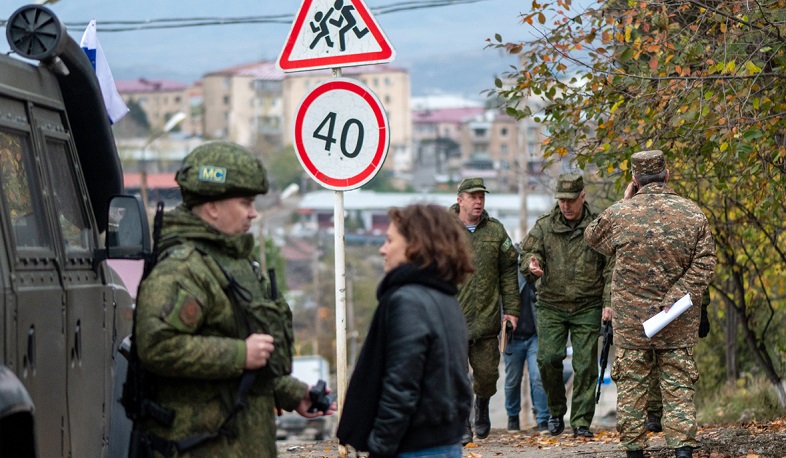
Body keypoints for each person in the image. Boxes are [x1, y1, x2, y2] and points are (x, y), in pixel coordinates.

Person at [135, 141, 334, 457]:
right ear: (213, 207)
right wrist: (239, 354)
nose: (254, 213)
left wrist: (292, 393)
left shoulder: (236, 265)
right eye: (245, 203)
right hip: (199, 447)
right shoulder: (184, 268)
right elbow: (158, 345)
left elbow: (243, 370)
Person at [584, 150, 716, 458]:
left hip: (632, 324)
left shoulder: (621, 215)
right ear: (667, 175)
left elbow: (592, 237)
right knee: (678, 387)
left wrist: (625, 201)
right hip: (677, 319)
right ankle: (682, 451)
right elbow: (706, 263)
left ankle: (634, 451)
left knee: (632, 387)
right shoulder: (692, 213)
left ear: (635, 179)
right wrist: (677, 294)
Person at [336, 204, 474, 458]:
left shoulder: (408, 300)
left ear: (415, 246)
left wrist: (379, 447)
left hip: (414, 448)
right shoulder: (445, 297)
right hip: (444, 442)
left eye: (390, 241)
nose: (382, 249)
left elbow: (401, 386)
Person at [519, 173, 613, 439]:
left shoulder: (598, 226)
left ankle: (581, 421)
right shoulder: (544, 226)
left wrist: (608, 302)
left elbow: (611, 266)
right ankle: (556, 410)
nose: (566, 205)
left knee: (585, 366)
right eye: (562, 200)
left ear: (582, 196)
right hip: (552, 304)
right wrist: (531, 265)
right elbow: (528, 254)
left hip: (587, 305)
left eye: (571, 199)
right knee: (547, 359)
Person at [450, 178, 520, 442]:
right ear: (460, 200)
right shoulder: (445, 230)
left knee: (488, 375)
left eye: (481, 197)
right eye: (473, 197)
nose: (478, 201)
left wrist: (511, 309)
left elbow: (508, 272)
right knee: (457, 377)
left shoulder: (495, 231)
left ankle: (482, 407)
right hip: (454, 320)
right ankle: (463, 423)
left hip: (487, 320)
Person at [645, 288, 711, 433]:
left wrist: (703, 309)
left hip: (680, 309)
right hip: (650, 307)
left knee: (677, 366)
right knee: (652, 362)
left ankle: (679, 420)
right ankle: (654, 414)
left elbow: (698, 280)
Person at [503, 276, 550, 434]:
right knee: (513, 379)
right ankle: (512, 416)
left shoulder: (537, 274)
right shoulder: (509, 275)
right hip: (512, 337)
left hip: (534, 336)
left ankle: (543, 418)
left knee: (537, 376)